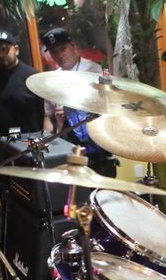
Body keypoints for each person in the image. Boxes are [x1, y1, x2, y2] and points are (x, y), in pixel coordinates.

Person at [40, 28, 116, 177]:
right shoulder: (51, 81)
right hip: (67, 150)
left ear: (73, 45)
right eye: (54, 51)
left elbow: (104, 108)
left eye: (63, 48)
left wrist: (72, 112)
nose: (60, 55)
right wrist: (48, 144)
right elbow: (48, 116)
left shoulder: (92, 70)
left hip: (96, 149)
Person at [0, 29, 44, 174]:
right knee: (5, 186)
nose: (0, 54)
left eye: (4, 49)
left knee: (35, 186)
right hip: (0, 149)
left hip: (31, 146)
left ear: (16, 50)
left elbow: (46, 113)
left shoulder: (33, 78)